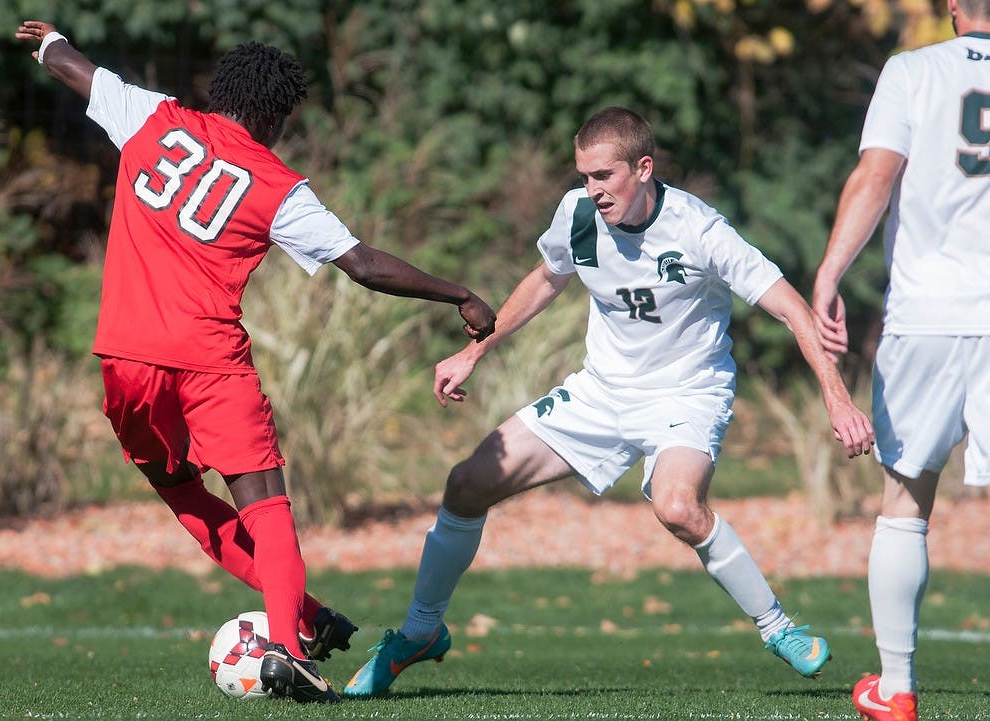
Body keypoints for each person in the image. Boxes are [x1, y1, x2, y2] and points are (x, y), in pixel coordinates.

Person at [15, 20, 496, 704]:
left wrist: (47, 40)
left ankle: (306, 618)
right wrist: (461, 293)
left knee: (183, 491)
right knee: (266, 504)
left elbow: (73, 68)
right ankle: (290, 646)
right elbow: (361, 263)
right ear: (272, 115)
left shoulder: (153, 117)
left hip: (126, 361)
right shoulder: (277, 185)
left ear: (222, 93)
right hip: (211, 362)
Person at [342, 106, 875, 698]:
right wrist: (473, 353)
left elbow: (792, 309)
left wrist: (838, 400)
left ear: (642, 168)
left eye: (603, 176)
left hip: (687, 392)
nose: (591, 191)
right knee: (466, 484)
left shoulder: (699, 229)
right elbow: (547, 279)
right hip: (600, 391)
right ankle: (419, 632)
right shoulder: (576, 215)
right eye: (584, 177)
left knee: (677, 506)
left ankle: (778, 628)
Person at [811, 2, 990, 719]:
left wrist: (827, 274)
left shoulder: (913, 69)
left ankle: (896, 687)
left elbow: (875, 176)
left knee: (906, 500)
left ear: (952, 10)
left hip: (931, 312)